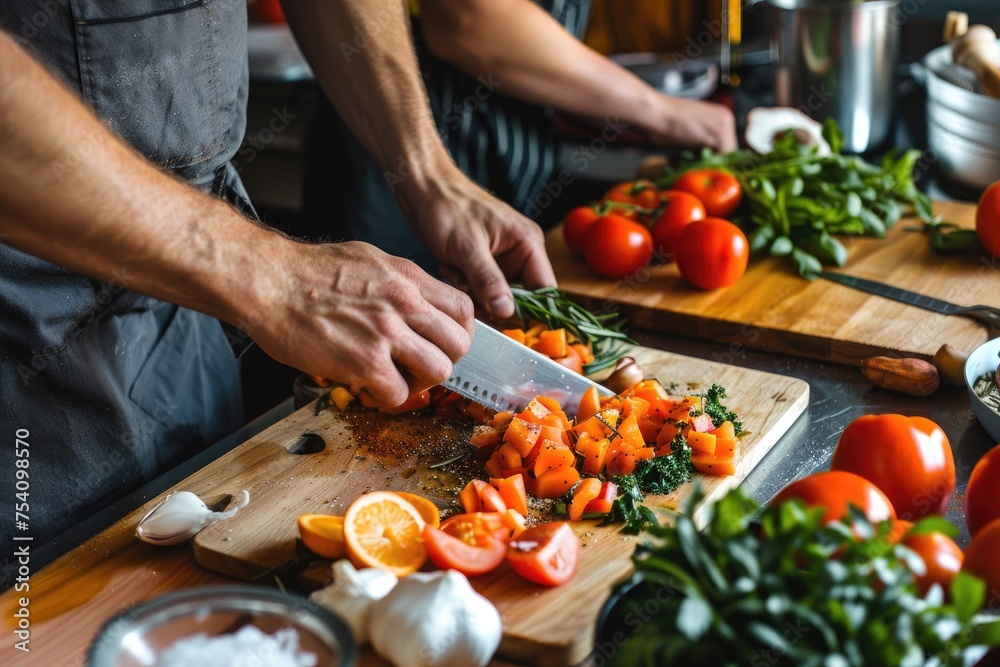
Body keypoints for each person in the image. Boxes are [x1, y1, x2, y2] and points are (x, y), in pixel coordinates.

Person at [0, 0, 554, 551]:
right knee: (38, 619)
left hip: (186, 323)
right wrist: (266, 273)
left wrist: (426, 169)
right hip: (27, 359)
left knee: (211, 554)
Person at [302, 0, 738, 269]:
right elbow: (467, 19)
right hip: (397, 143)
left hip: (511, 151)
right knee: (368, 380)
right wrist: (661, 112)